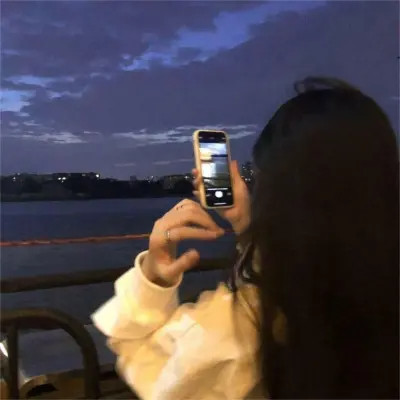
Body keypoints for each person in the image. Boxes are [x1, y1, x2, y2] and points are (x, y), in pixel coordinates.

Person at [92, 77, 399, 399]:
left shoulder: (241, 327)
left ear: (275, 190)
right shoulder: (379, 287)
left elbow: (146, 365)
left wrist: (152, 280)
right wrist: (245, 223)